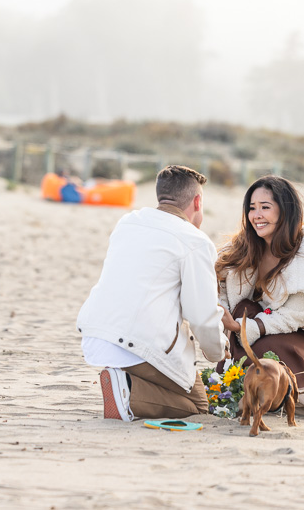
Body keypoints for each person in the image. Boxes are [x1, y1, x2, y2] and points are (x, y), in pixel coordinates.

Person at [76, 165, 228, 421]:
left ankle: (125, 382)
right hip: (136, 343)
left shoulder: (128, 222)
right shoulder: (195, 241)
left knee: (182, 386)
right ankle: (130, 392)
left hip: (97, 334)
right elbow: (200, 315)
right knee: (198, 405)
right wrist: (218, 352)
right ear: (197, 201)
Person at [215, 175, 304, 415]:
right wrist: (224, 315)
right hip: (254, 326)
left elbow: (294, 317)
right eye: (252, 208)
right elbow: (220, 288)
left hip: (303, 335)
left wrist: (248, 328)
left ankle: (302, 384)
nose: (256, 215)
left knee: (269, 346)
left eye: (265, 207)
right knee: (241, 313)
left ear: (285, 211)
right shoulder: (243, 248)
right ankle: (249, 388)